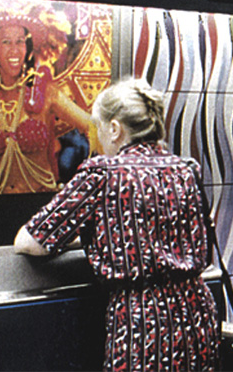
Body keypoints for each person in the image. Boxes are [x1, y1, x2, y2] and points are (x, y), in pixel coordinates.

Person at [14, 79, 219, 371]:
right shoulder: (186, 169)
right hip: (197, 315)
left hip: (145, 324)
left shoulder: (103, 174)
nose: (97, 138)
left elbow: (31, 241)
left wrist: (84, 235)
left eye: (98, 128)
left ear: (114, 129)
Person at [0, 12, 94, 194]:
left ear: (27, 48)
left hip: (38, 204)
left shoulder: (47, 93)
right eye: (6, 42)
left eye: (20, 41)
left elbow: (92, 126)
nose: (14, 49)